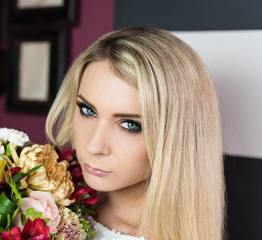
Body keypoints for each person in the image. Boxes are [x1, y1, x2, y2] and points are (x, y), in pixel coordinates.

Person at [45, 27, 225, 240]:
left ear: (177, 137)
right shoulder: (44, 201)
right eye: (88, 110)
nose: (94, 146)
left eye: (130, 125)